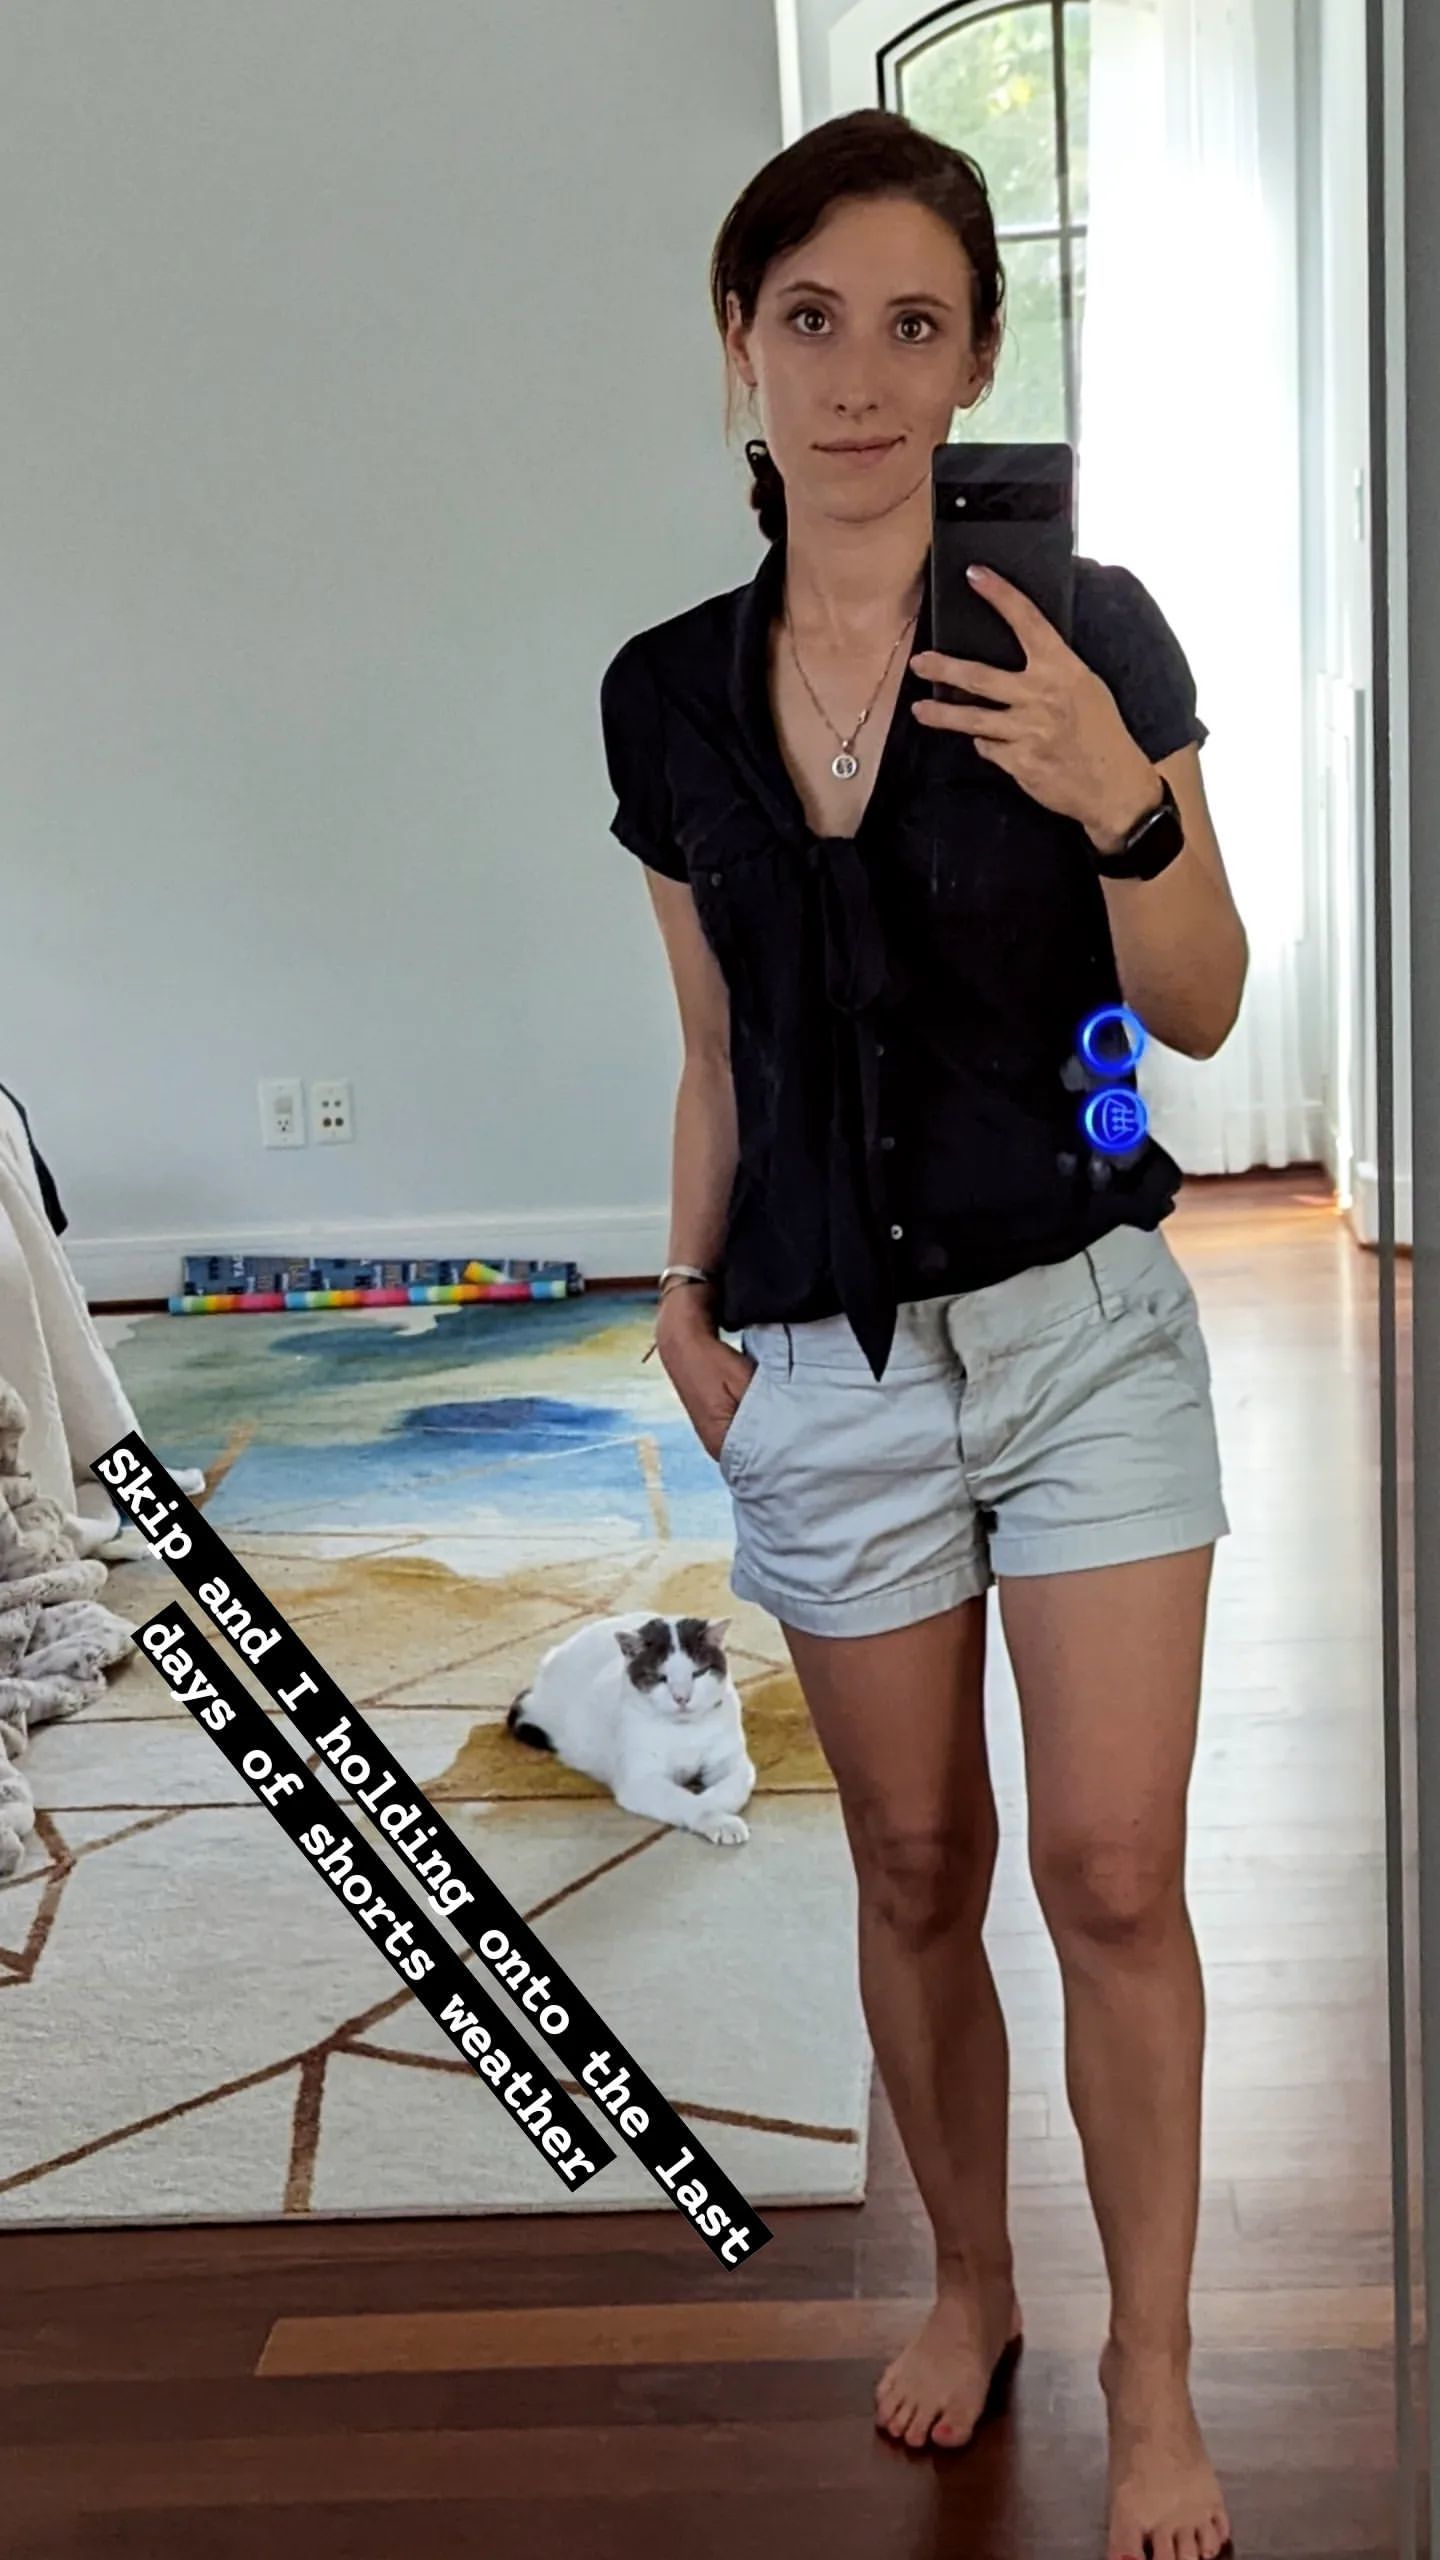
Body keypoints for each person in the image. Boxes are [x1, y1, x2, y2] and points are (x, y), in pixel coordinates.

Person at [600, 107, 1246, 2560]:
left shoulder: (1084, 634)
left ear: (976, 360)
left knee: (1111, 1869)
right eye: (810, 320)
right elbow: (718, 1047)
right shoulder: (666, 697)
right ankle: (972, 2277)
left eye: (913, 325)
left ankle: (1152, 2366)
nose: (858, 377)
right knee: (909, 1858)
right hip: (820, 1359)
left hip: (1084, 1335)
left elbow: (1199, 1006)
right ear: (739, 346)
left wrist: (1125, 806)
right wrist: (685, 1301)